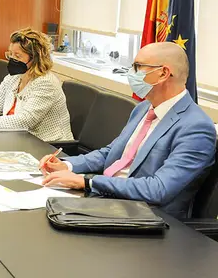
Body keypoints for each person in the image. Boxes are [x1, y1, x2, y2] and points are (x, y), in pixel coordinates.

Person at [39, 42, 216, 218]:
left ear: (163, 73)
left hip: (146, 216)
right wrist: (68, 165)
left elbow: (159, 189)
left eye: (138, 67)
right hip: (106, 199)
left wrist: (87, 181)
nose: (132, 73)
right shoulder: (144, 108)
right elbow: (112, 153)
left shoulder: (196, 127)